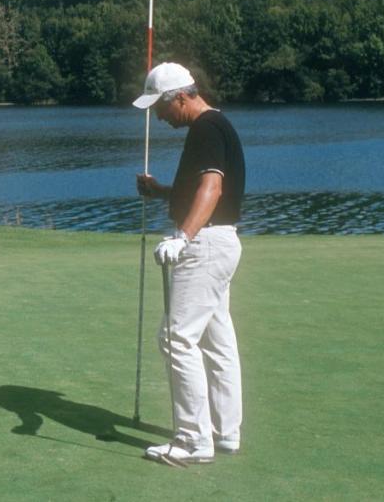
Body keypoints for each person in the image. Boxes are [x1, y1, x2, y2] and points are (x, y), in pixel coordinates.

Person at [134, 62, 245, 466]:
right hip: (220, 241)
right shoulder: (216, 126)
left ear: (179, 97)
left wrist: (183, 237)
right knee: (217, 341)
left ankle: (193, 440)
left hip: (205, 245)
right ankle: (225, 432)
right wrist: (163, 192)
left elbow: (212, 188)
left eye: (161, 108)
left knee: (176, 338)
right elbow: (201, 188)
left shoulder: (205, 129)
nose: (159, 117)